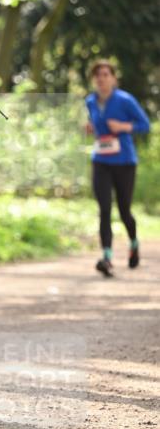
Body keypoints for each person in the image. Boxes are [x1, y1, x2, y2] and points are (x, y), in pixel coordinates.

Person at [85, 60, 150, 277]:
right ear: (94, 79)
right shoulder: (91, 101)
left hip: (124, 162)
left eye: (105, 74)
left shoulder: (125, 100)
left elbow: (145, 125)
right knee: (104, 209)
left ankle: (133, 243)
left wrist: (123, 127)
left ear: (113, 78)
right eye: (98, 75)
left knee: (124, 211)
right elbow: (94, 125)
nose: (102, 79)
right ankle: (107, 257)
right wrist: (90, 127)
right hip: (101, 160)